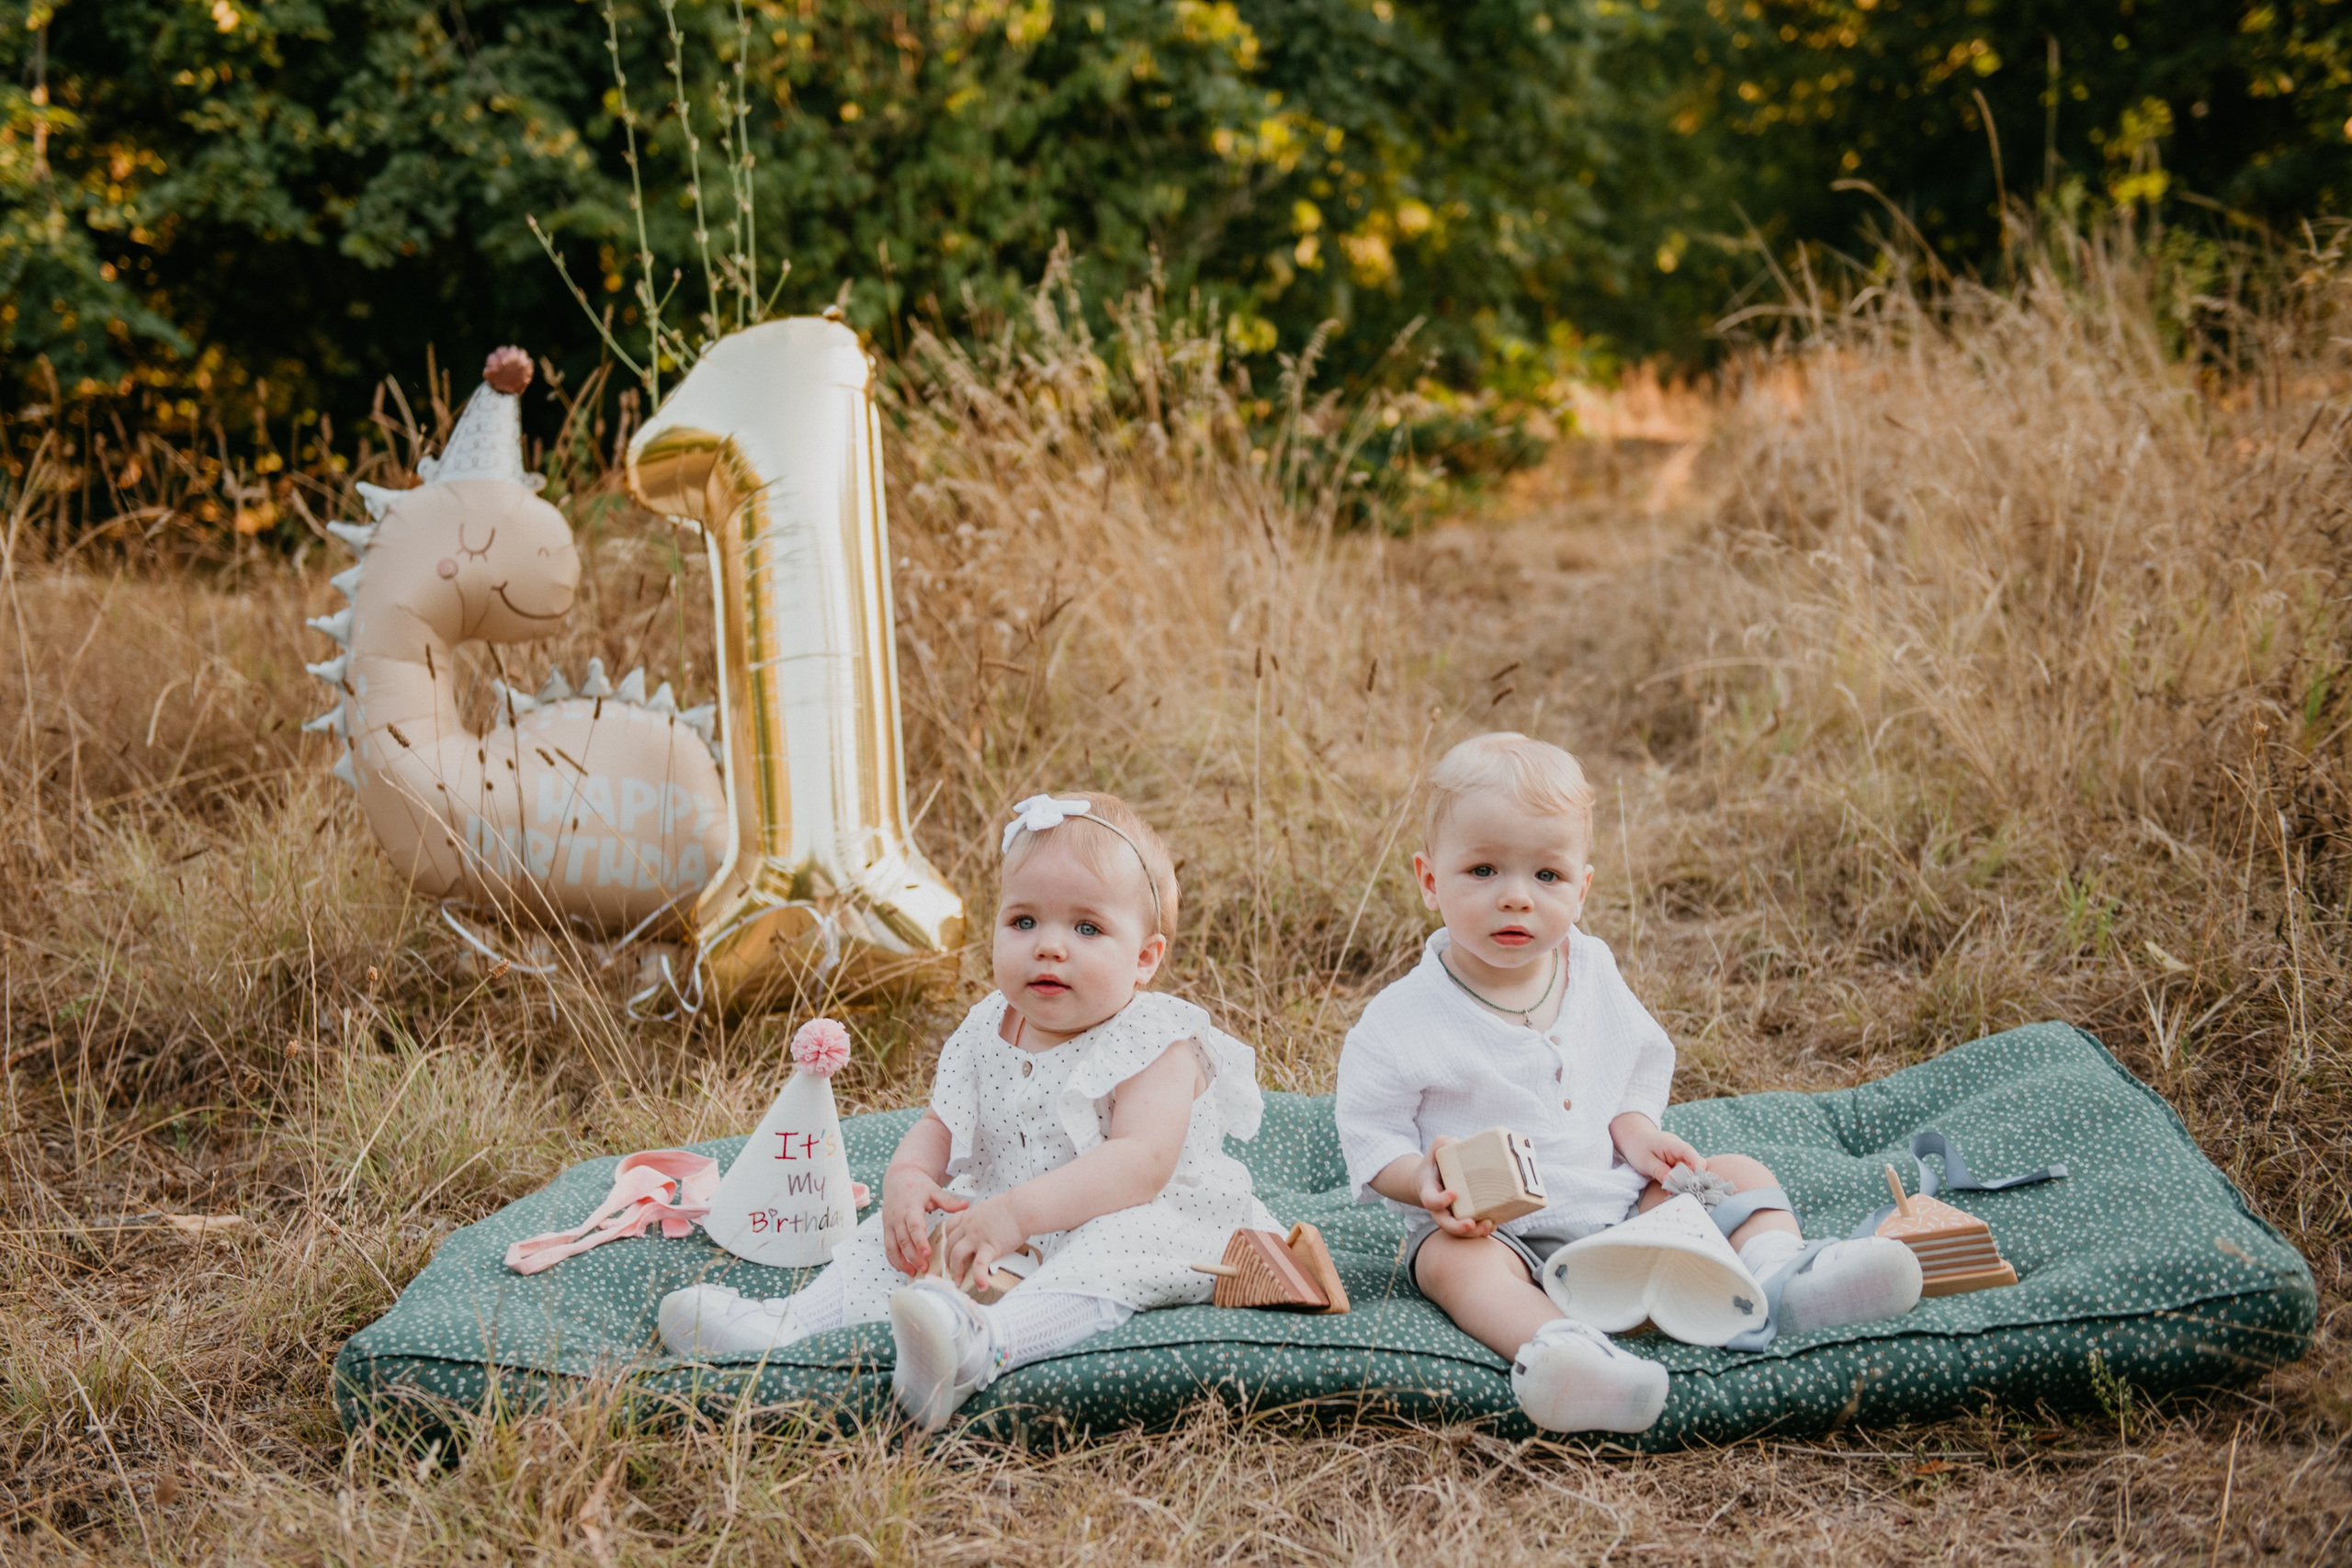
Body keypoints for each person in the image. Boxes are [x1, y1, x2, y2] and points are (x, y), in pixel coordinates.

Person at [1335, 733, 1921, 1434]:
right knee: (1451, 1264)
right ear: (1431, 879)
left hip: (1618, 1214)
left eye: (1546, 876)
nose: (1517, 898)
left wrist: (1638, 1134)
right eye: (1484, 870)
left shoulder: (1593, 970)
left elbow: (1635, 1062)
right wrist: (1422, 1177)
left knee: (1735, 1171)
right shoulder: (1403, 1017)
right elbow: (1370, 1131)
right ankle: (1564, 1354)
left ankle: (1783, 1278)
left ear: (1582, 886)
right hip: (1497, 1231)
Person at [658, 790, 1274, 1431]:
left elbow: (1139, 1165)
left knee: (1111, 1250)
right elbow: (940, 1123)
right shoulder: (989, 1025)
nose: (1050, 947)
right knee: (898, 1236)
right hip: (1003, 1216)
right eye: (1024, 921)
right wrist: (910, 1180)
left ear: (1145, 957)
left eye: (1087, 928)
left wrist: (1018, 1212)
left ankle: (983, 1344)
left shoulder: (1154, 1041)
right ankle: (791, 1326)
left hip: (1143, 1218)